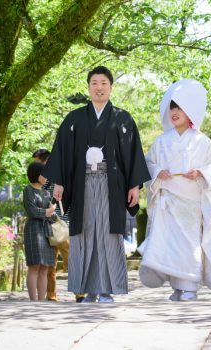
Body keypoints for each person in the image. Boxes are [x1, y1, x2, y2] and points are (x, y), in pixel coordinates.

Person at [42, 66, 150, 303]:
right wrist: (59, 183)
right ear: (88, 87)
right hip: (82, 184)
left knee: (109, 234)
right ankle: (87, 290)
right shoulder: (74, 119)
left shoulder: (123, 118)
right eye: (94, 83)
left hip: (112, 185)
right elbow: (62, 151)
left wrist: (134, 186)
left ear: (111, 87)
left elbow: (133, 154)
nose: (99, 87)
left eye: (104, 83)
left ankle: (107, 289)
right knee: (84, 233)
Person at [138, 79, 211, 301]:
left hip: (190, 203)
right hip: (168, 202)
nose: (174, 112)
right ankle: (177, 286)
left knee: (188, 244)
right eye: (172, 107)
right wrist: (158, 171)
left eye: (180, 108)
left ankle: (189, 286)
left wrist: (201, 173)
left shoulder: (202, 141)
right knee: (169, 244)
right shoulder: (161, 141)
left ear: (191, 112)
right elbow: (148, 163)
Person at [32, 148, 85, 302]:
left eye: (37, 162)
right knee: (49, 263)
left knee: (70, 259)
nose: (35, 166)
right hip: (47, 225)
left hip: (62, 224)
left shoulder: (57, 175)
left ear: (45, 161)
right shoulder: (40, 179)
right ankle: (51, 295)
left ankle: (79, 293)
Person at [23, 161, 56, 301]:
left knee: (45, 267)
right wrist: (48, 211)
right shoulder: (28, 190)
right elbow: (32, 211)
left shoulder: (47, 193)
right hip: (33, 230)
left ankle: (41, 301)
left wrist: (52, 213)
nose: (46, 177)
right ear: (36, 174)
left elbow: (51, 215)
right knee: (34, 266)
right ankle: (33, 301)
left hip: (46, 231)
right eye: (44, 174)